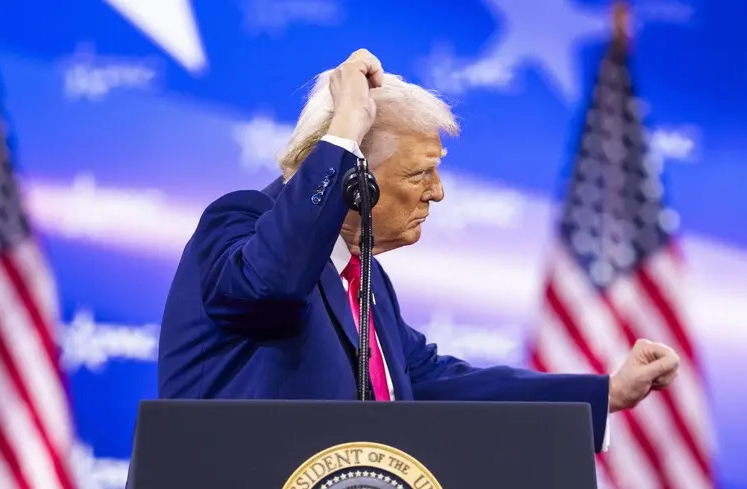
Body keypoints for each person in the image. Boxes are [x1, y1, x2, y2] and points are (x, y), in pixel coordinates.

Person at [158, 49, 680, 453]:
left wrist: (604, 393)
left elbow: (434, 381)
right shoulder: (238, 223)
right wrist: (343, 132)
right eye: (419, 173)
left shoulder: (365, 280)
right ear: (354, 179)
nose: (437, 192)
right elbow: (270, 286)